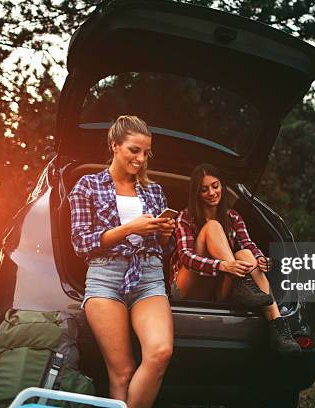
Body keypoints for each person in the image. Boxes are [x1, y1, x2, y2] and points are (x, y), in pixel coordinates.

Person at [68, 115, 176, 408]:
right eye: (133, 150)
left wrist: (164, 234)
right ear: (114, 145)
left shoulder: (154, 190)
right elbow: (81, 242)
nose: (141, 159)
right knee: (122, 372)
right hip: (105, 277)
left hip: (149, 276)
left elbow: (165, 250)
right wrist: (130, 228)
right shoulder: (87, 185)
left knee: (160, 351)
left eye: (145, 152)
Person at [168, 163, 301, 353]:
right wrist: (223, 266)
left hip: (219, 289)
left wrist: (261, 259)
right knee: (212, 227)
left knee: (246, 255)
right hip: (188, 288)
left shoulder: (234, 217)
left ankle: (278, 327)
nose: (212, 192)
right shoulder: (185, 217)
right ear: (196, 193)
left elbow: (248, 245)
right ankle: (242, 283)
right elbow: (186, 257)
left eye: (215, 186)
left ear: (222, 185)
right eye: (204, 189)